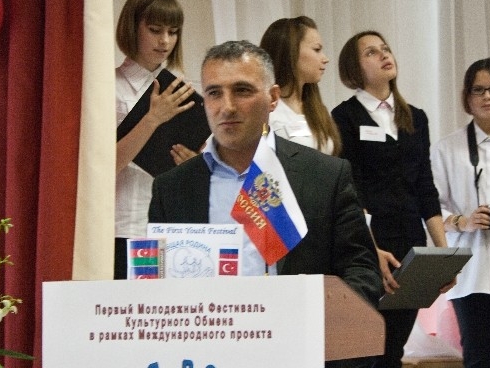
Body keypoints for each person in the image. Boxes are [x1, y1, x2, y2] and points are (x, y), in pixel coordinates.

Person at [148, 39, 381, 317]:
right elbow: (157, 286)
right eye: (214, 93)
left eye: (242, 91)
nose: (227, 106)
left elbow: (362, 270)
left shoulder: (325, 176)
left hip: (298, 336)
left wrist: (315, 318)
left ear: (273, 98)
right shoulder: (171, 188)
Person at [332, 30, 449, 368]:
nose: (384, 55)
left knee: (394, 350)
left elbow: (426, 188)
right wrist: (371, 250)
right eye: (371, 52)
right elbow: (350, 192)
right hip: (368, 246)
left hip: (411, 244)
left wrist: (443, 254)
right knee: (368, 350)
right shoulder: (344, 117)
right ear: (354, 68)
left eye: (385, 49)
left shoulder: (416, 117)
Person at [430, 58, 490, 368]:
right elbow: (430, 210)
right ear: (467, 97)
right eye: (478, 90)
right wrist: (463, 221)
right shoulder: (445, 149)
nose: (487, 97)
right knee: (477, 358)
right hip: (470, 272)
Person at [114, 0, 198, 279]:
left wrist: (191, 161)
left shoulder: (179, 88)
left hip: (170, 227)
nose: (165, 41)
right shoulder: (112, 87)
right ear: (132, 28)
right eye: (155, 30)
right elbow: (102, 167)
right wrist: (152, 119)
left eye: (173, 32)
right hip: (124, 225)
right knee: (127, 305)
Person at [260, 16, 342, 155]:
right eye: (316, 49)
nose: (325, 59)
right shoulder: (264, 111)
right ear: (290, 52)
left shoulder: (317, 108)